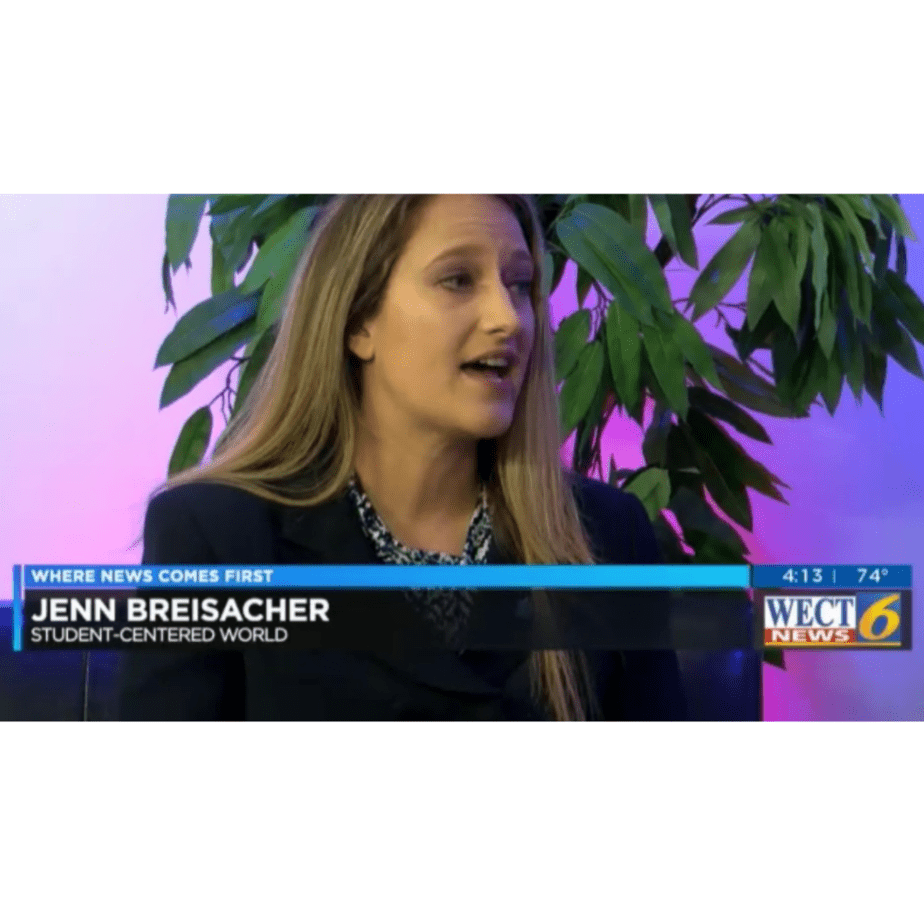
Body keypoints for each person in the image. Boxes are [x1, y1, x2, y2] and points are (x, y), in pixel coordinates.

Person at [117, 194, 687, 721]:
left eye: (519, 284)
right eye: (458, 280)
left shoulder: (607, 538)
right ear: (359, 321)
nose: (508, 318)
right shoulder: (214, 535)